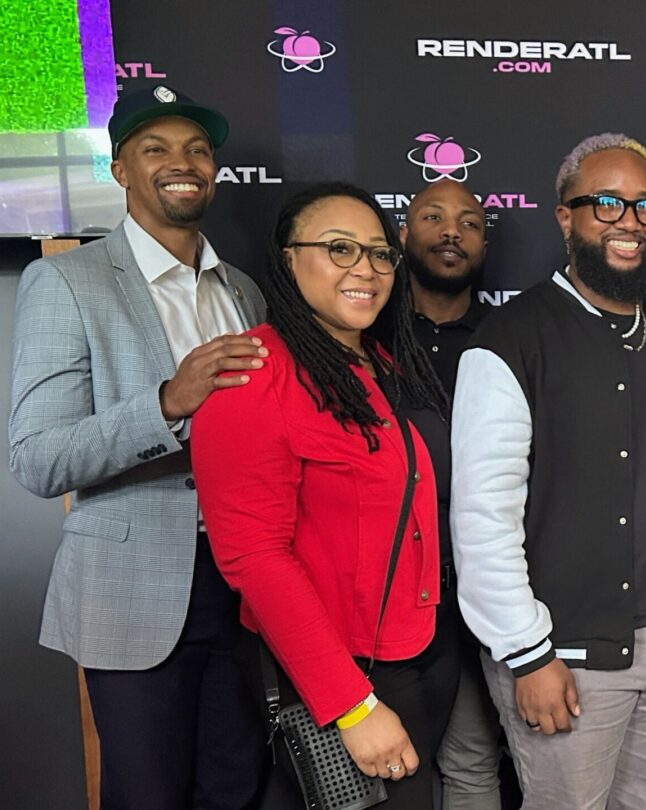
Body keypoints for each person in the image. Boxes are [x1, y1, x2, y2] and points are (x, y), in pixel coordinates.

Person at [8, 85, 268, 810]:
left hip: (244, 582)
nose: (181, 163)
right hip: (133, 593)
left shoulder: (243, 292)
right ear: (121, 169)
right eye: (155, 148)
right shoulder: (66, 281)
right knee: (147, 795)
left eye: (197, 149)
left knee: (236, 788)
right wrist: (166, 402)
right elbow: (38, 457)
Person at [450, 133, 646, 810]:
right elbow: (482, 517)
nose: (630, 221)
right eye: (606, 203)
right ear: (565, 217)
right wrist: (527, 654)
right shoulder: (509, 340)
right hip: (563, 653)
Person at [190, 182, 452, 809]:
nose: (366, 268)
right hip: (348, 674)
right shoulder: (251, 379)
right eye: (339, 249)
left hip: (424, 651)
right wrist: (352, 707)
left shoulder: (384, 364)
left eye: (379, 252)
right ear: (287, 259)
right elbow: (253, 558)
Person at [397, 179, 506, 810]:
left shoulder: (508, 336)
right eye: (433, 217)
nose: (450, 232)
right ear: (404, 235)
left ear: (484, 245)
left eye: (468, 222)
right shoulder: (364, 332)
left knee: (471, 759)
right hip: (385, 593)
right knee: (388, 764)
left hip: (479, 590)